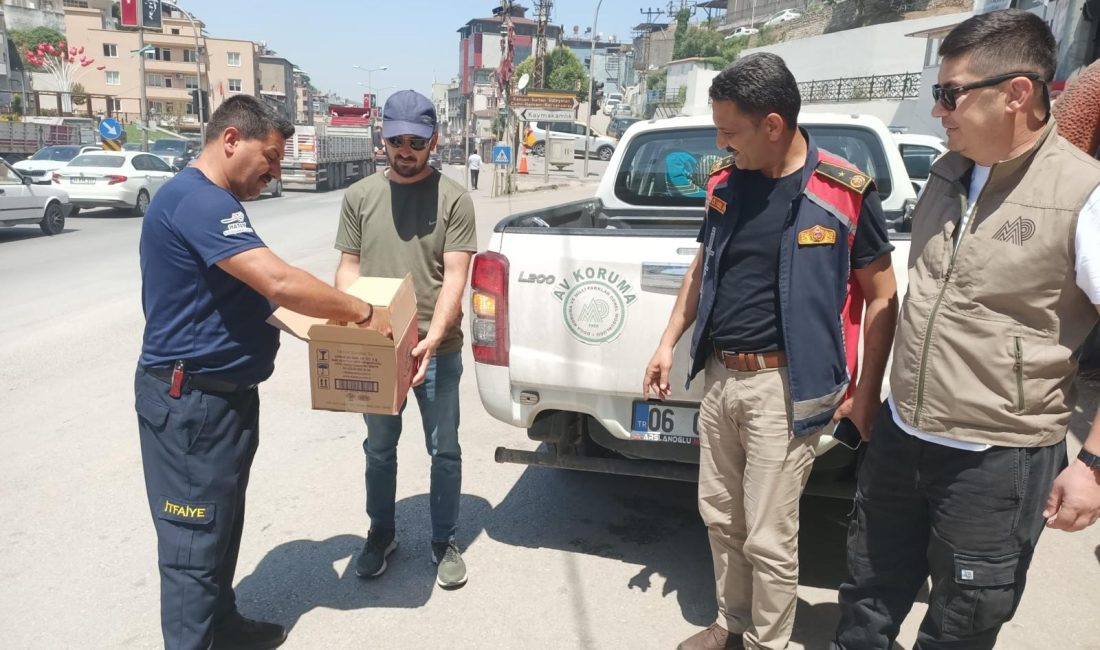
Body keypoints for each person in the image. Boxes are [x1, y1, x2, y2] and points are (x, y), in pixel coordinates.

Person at [833, 10, 1100, 650]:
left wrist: (1092, 462)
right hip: (902, 438)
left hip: (996, 458)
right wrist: (871, 394)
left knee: (961, 625)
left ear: (1017, 94)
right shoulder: (948, 175)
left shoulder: (1082, 193)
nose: (937, 112)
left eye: (951, 95)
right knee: (865, 600)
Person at [643, 53, 898, 650]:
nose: (721, 142)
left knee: (768, 534)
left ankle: (766, 642)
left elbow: (884, 297)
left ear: (774, 125)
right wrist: (666, 342)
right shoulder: (726, 184)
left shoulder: (843, 193)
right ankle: (730, 623)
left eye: (730, 131)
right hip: (720, 378)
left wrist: (865, 396)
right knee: (719, 516)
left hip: (784, 390)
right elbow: (702, 268)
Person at [136, 95, 386, 650]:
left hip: (223, 401)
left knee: (220, 529)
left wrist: (328, 333)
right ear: (230, 140)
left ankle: (222, 627)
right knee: (192, 549)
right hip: (191, 405)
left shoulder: (212, 199)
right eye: (270, 157)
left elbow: (256, 299)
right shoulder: (199, 203)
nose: (275, 172)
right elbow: (277, 282)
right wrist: (362, 313)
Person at [334, 90, 477, 589]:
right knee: (379, 448)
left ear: (433, 140)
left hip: (438, 349)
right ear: (384, 137)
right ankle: (381, 533)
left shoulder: (454, 198)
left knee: (445, 449)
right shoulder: (359, 196)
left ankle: (444, 539)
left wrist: (431, 341)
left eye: (416, 141)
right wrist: (350, 331)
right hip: (379, 347)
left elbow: (455, 278)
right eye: (397, 139)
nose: (406, 150)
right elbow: (349, 268)